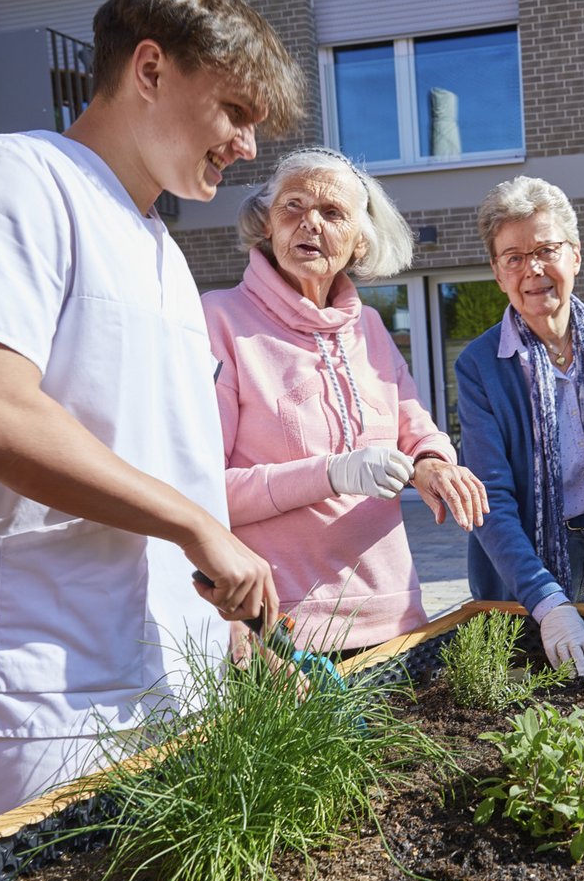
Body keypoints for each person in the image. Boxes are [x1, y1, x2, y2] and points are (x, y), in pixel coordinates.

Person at [0, 0, 302, 834]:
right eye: (235, 111)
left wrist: (228, 632)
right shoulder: (8, 176)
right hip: (40, 686)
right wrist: (202, 529)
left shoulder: (164, 253)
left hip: (160, 673)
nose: (247, 147)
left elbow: (164, 459)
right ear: (149, 68)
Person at [202, 148, 488, 653]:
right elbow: (205, 493)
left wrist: (431, 462)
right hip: (284, 634)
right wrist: (333, 472)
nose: (308, 222)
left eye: (332, 213)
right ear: (266, 224)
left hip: (395, 616)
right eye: (292, 206)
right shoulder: (219, 321)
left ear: (359, 242)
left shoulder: (370, 326)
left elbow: (414, 424)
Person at [456, 176, 584, 676]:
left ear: (575, 255)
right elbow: (491, 502)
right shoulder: (480, 365)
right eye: (513, 257)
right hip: (520, 569)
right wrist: (546, 600)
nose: (533, 269)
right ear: (497, 272)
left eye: (546, 249)